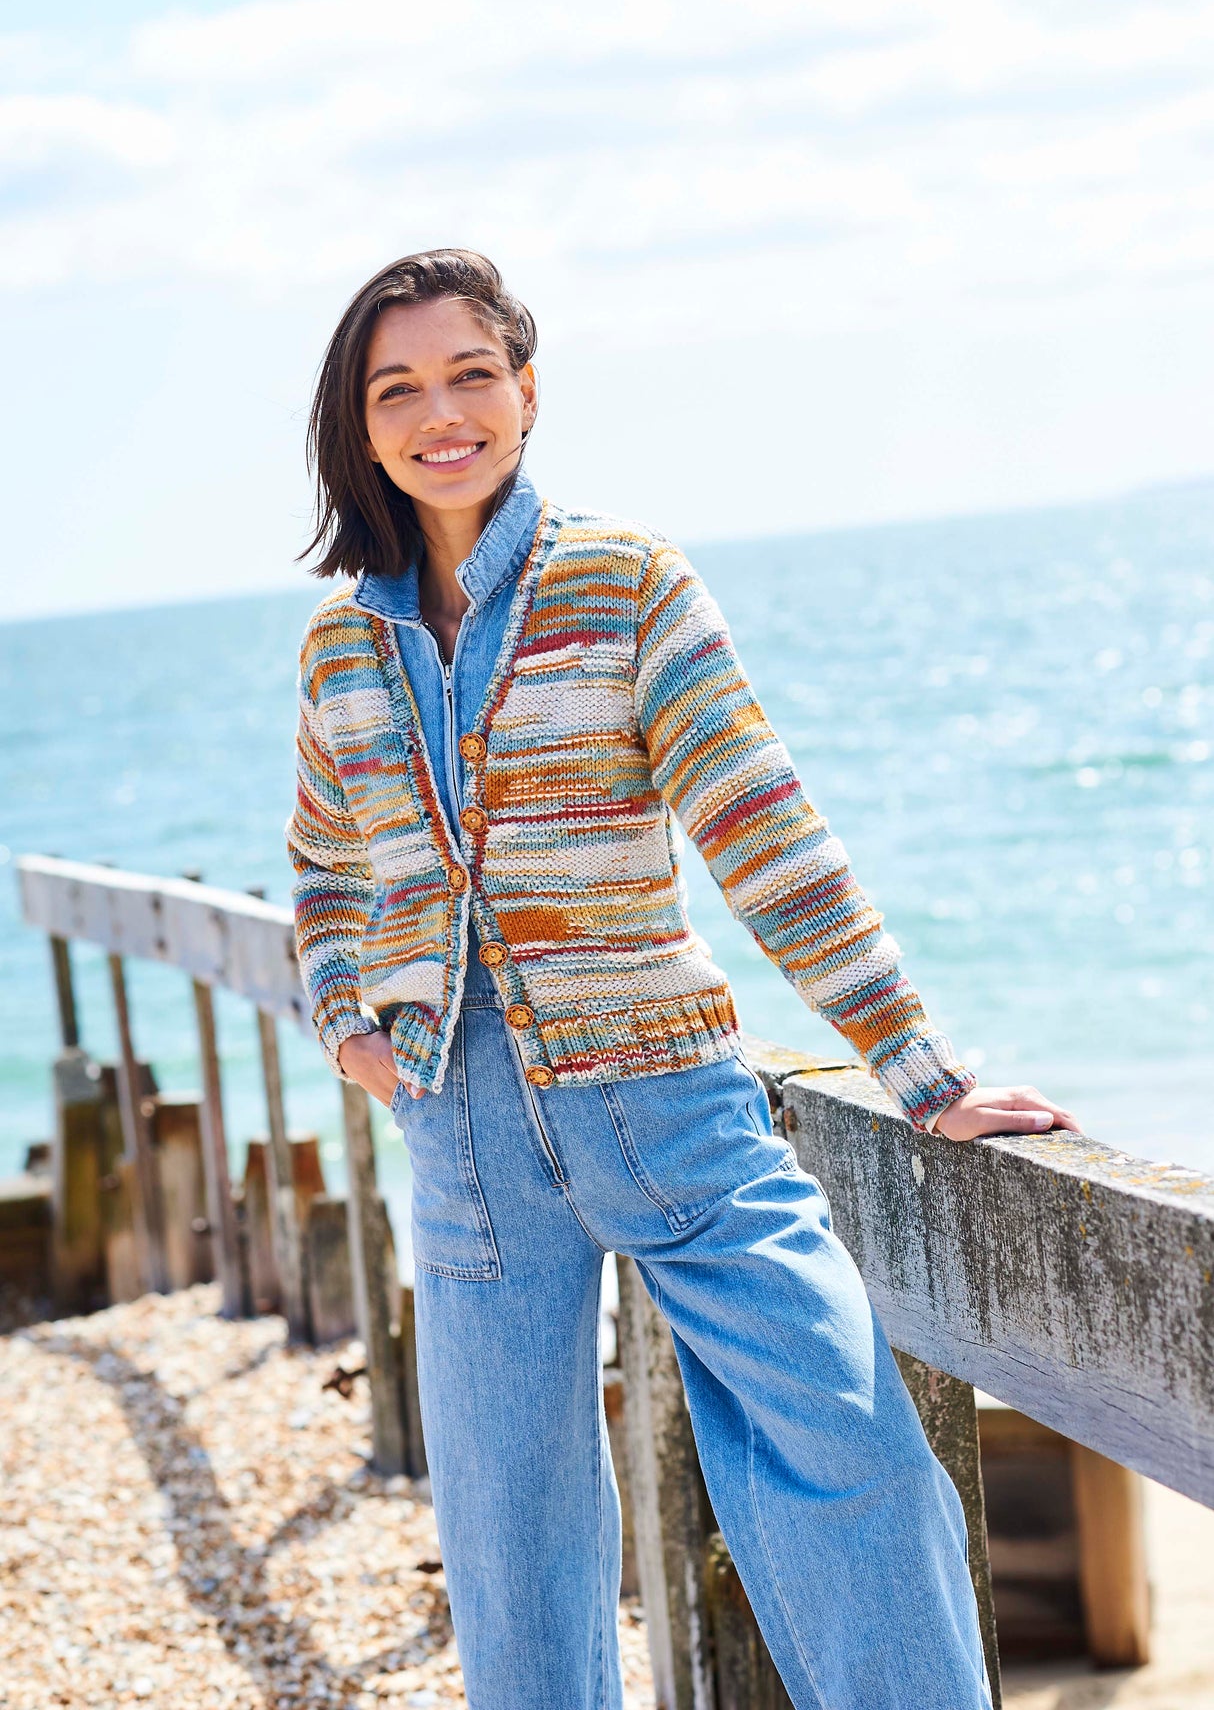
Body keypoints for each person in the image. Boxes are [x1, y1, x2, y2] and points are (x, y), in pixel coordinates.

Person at [286, 248, 1079, 1710]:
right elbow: (327, 874)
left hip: (667, 1104)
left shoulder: (625, 582)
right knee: (510, 1533)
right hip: (461, 1131)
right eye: (398, 388)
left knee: (840, 1445)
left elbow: (759, 828)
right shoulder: (343, 642)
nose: (439, 412)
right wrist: (353, 1032)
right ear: (361, 425)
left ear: (526, 390)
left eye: (471, 373)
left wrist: (919, 1067)